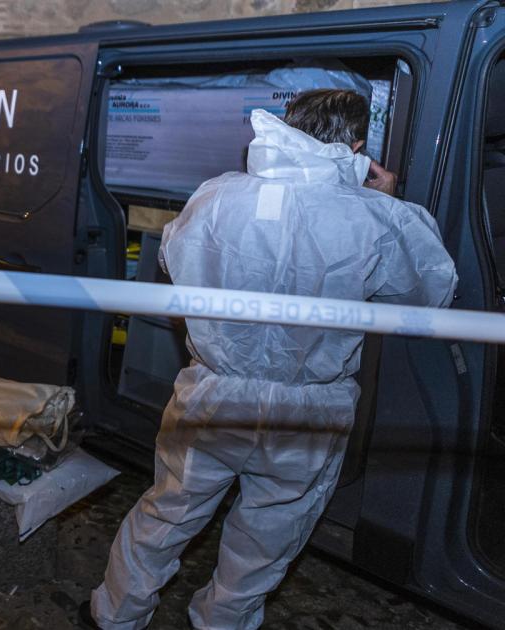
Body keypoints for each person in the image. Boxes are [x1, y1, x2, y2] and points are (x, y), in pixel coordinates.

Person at [82, 90, 458, 630]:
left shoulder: (216, 196)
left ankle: (114, 615)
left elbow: (171, 260)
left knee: (168, 509)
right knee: (269, 534)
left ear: (286, 127)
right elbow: (429, 297)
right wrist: (391, 199)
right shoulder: (377, 218)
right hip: (309, 409)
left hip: (212, 393)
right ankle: (220, 623)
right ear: (356, 147)